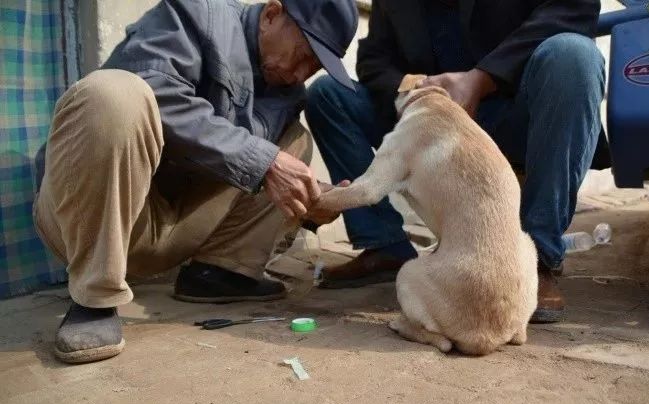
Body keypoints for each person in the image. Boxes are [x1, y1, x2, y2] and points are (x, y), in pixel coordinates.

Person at [34, 0, 357, 364]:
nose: (301, 74)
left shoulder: (285, 89)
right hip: (95, 218)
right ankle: (93, 295)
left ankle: (219, 272)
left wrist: (313, 204)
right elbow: (154, 88)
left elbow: (255, 165)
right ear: (271, 15)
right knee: (112, 95)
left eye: (314, 68)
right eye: (304, 54)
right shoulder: (194, 12)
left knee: (293, 143)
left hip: (171, 227)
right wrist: (262, 162)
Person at [305, 0, 607, 322]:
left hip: (512, 109)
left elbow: (574, 9)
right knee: (329, 95)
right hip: (427, 121)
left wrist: (480, 79)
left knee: (575, 56)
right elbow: (373, 61)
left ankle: (537, 257)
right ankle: (384, 245)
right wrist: (421, 88)